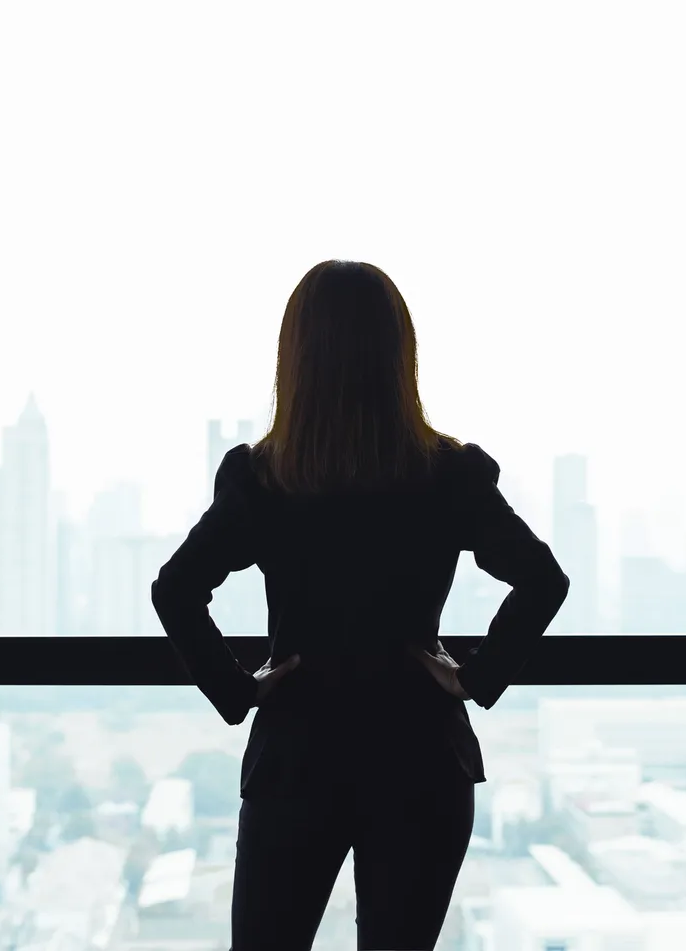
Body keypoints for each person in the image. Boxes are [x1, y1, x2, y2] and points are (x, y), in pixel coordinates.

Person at [151, 259, 569, 950]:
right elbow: (542, 580)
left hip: (298, 756)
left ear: (296, 356)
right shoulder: (449, 474)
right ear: (399, 354)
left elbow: (176, 591)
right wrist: (473, 677)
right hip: (420, 757)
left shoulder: (262, 478)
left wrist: (237, 688)